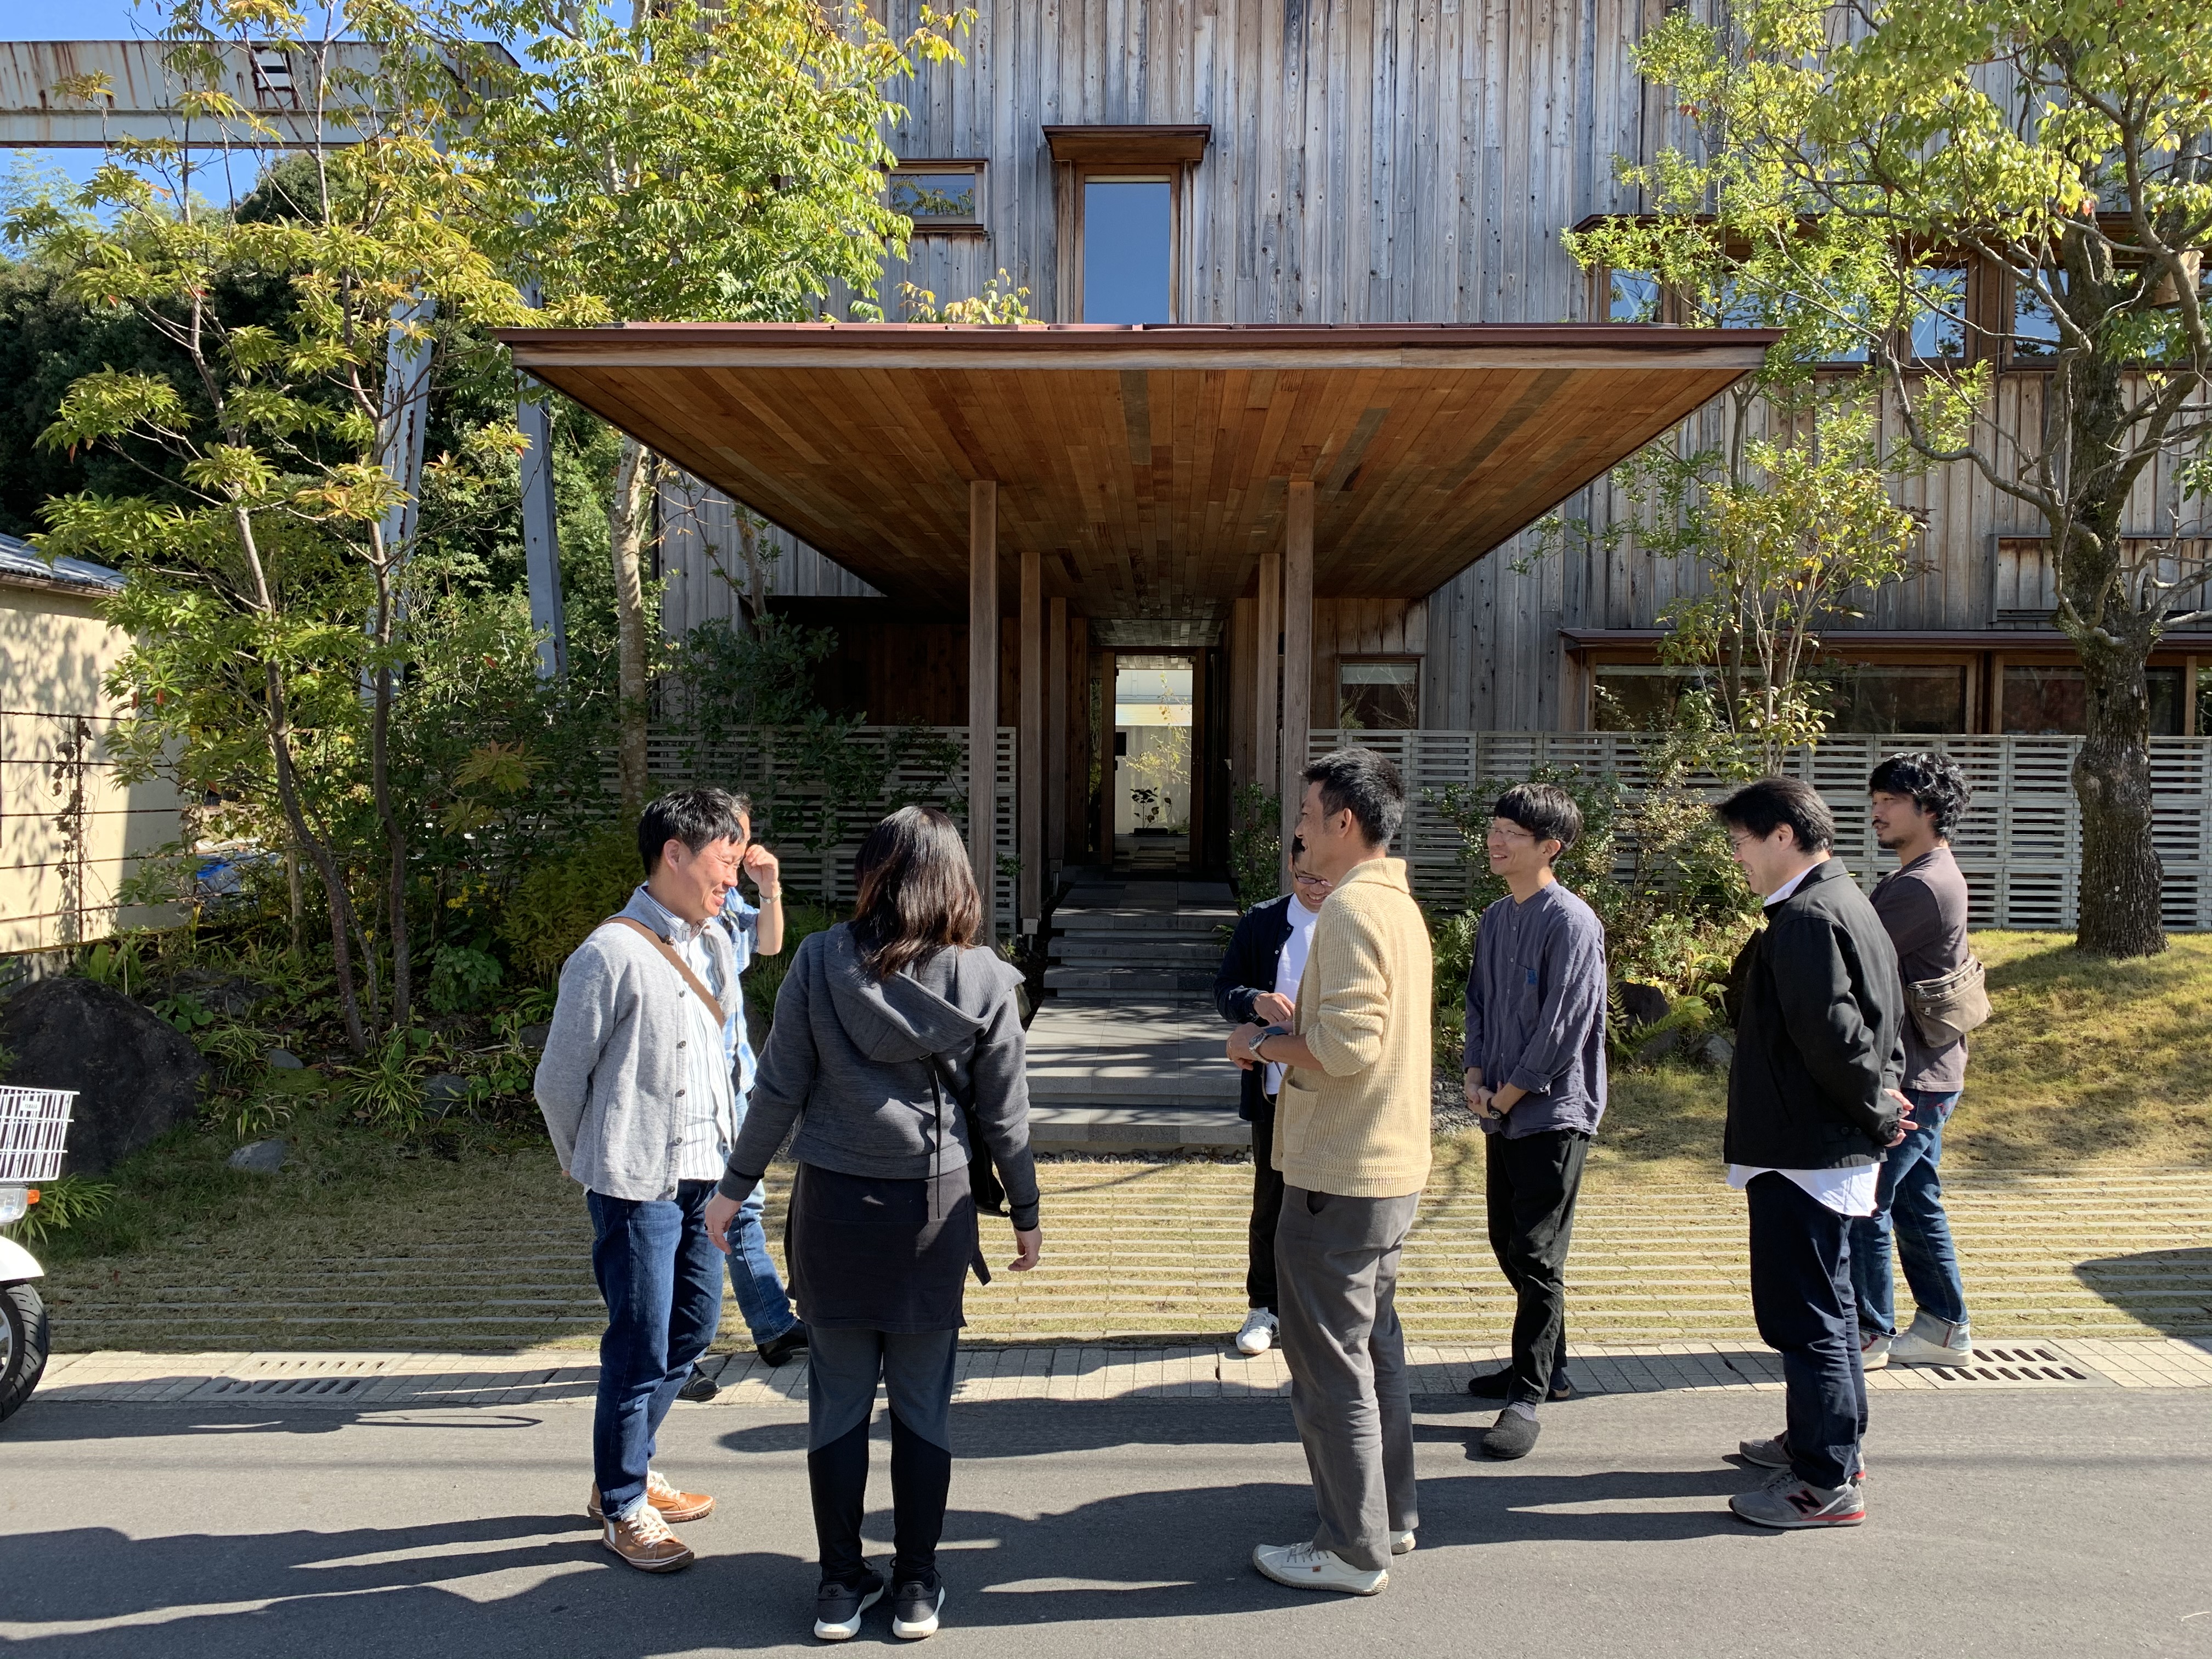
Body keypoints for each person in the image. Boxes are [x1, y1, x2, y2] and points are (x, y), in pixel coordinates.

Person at [705, 805, 1041, 1643]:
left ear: (873, 877)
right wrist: (1026, 1211)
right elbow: (1006, 1116)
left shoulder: (821, 961)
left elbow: (777, 1089)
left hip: (834, 1209)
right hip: (934, 1209)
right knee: (923, 1403)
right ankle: (918, 1583)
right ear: (955, 881)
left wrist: (733, 1187)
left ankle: (837, 1585)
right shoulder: (986, 979)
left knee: (838, 1402)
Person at [1228, 748, 1432, 1597]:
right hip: (1389, 1166)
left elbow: (1347, 1046)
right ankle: (1388, 1518)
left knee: (1328, 1369)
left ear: (1345, 822)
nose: (1300, 833)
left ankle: (1352, 1549)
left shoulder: (1349, 908)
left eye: (1309, 817)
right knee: (1373, 1353)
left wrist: (1258, 1044)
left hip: (1339, 1172)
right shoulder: (1398, 903)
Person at [534, 787, 753, 1573]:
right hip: (638, 1183)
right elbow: (559, 1082)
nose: (733, 879)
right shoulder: (609, 954)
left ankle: (619, 1472)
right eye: (725, 862)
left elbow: (728, 1061)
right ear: (675, 854)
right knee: (638, 1344)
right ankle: (625, 1504)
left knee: (693, 1328)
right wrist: (590, 1162)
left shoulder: (716, 942)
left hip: (706, 1177)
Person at [1716, 776, 1911, 1531]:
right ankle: (1826, 1448)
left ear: (1783, 836)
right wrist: (1884, 1099)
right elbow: (1884, 1022)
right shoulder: (1845, 899)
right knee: (1831, 1306)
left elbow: (1834, 1035)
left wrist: (1877, 1109)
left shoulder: (1805, 917)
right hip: (1824, 1146)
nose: (1737, 857)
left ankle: (1825, 1480)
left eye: (1741, 843)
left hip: (1804, 1149)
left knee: (1808, 1317)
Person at [1460, 782, 1607, 1460]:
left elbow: (1563, 1028)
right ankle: (1552, 1367)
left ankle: (1527, 1394)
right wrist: (1474, 1075)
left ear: (1551, 848)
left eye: (1511, 833)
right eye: (1495, 827)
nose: (1496, 840)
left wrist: (1511, 1093)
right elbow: (1479, 1003)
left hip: (1553, 1112)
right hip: (1500, 1107)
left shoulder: (1572, 922)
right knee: (1509, 1241)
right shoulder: (1496, 917)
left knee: (1539, 1252)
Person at [675, 802, 804, 1404]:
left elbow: (770, 944)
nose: (740, 855)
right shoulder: (667, 915)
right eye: (732, 845)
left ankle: (772, 1326)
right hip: (690, 1093)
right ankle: (677, 1356)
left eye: (744, 842)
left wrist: (768, 887)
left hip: (734, 1084)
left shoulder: (725, 902)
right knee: (684, 1221)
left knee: (742, 1205)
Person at [1859, 752, 1977, 1369]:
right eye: (1875, 800)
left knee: (1868, 1200)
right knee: (1913, 1200)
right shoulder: (1926, 875)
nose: (1876, 812)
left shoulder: (1922, 886)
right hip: (1931, 1070)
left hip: (1914, 1076)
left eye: (1890, 802)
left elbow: (1852, 955)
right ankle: (1944, 1328)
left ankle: (1869, 1332)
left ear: (1928, 809)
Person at [1212, 862, 1336, 1357]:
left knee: (1334, 1205)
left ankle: (1322, 1312)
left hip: (1339, 1089)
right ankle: (1264, 1306)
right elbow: (1225, 989)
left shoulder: (1353, 919)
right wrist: (1255, 1001)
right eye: (1306, 878)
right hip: (1275, 1086)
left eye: (1326, 878)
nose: (1317, 888)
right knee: (1272, 1202)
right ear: (1290, 869)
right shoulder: (1264, 920)